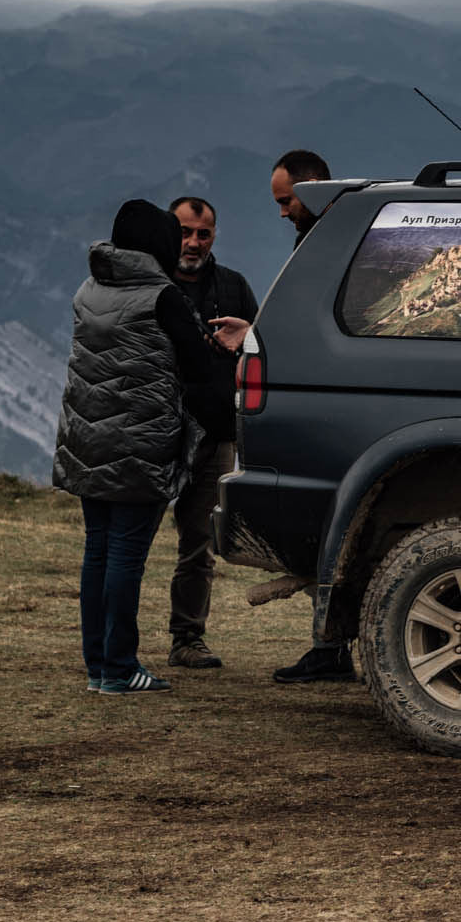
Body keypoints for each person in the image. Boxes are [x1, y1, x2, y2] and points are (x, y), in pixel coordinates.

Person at [53, 200, 215, 695]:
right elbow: (199, 369)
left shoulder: (89, 288)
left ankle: (99, 666)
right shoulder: (161, 297)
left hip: (87, 440)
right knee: (125, 555)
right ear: (159, 246)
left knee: (97, 551)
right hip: (139, 445)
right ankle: (121, 668)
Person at [255, 150, 358, 684]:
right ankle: (332, 646)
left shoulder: (334, 238)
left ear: (313, 187)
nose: (282, 213)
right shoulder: (336, 230)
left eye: (285, 201)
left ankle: (332, 647)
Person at [160, 196, 260, 669]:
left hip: (217, 433)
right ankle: (110, 644)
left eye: (203, 233)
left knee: (199, 540)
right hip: (156, 433)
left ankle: (187, 638)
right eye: (184, 231)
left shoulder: (234, 287)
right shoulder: (151, 287)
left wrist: (247, 338)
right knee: (128, 539)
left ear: (214, 235)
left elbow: (262, 348)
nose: (194, 242)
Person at [272, 149, 331, 244]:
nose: (283, 213)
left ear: (312, 190)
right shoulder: (306, 241)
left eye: (286, 201)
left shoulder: (358, 231)